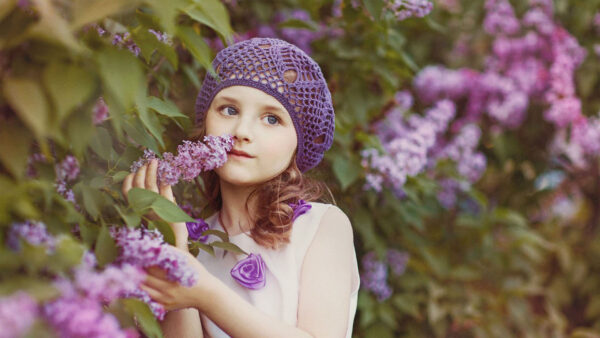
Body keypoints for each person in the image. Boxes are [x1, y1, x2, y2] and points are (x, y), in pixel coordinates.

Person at [122, 37, 360, 337]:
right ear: (205, 122)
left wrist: (204, 292)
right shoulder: (198, 243)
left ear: (298, 143)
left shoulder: (321, 226)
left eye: (272, 118)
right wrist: (175, 251)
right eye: (229, 110)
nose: (242, 132)